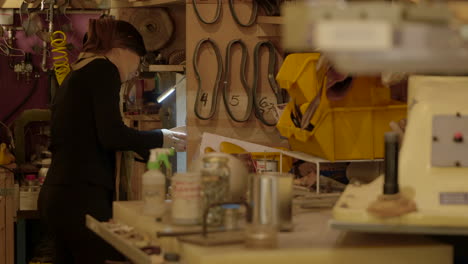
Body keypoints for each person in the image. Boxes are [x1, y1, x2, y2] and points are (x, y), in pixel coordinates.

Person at [38, 18, 186, 264]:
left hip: (61, 196)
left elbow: (99, 134)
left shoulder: (81, 71)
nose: (135, 72)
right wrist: (164, 137)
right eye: (138, 60)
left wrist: (159, 139)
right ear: (121, 50)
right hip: (80, 198)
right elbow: (112, 135)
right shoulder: (103, 69)